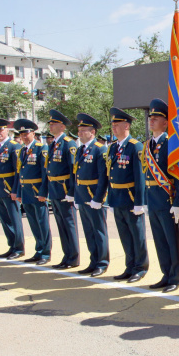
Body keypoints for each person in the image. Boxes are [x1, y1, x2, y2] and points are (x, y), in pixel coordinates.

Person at [143, 99, 179, 293]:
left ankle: (176, 277)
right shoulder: (148, 145)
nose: (151, 121)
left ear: (166, 122)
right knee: (159, 240)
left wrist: (178, 201)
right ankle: (166, 273)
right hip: (153, 198)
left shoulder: (171, 143)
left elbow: (177, 176)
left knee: (171, 240)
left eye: (156, 118)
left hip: (167, 199)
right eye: (150, 117)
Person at [107, 107, 148, 282]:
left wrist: (140, 202)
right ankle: (130, 266)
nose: (113, 128)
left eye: (117, 124)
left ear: (126, 126)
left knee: (137, 234)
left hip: (131, 198)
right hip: (117, 197)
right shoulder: (113, 147)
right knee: (124, 235)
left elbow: (140, 176)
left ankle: (140, 267)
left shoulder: (135, 146)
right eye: (113, 124)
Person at [74, 113, 110, 278]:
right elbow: (77, 174)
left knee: (98, 230)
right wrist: (76, 196)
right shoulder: (81, 149)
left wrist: (98, 198)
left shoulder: (99, 149)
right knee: (88, 231)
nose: (80, 133)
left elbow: (103, 176)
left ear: (92, 132)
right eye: (79, 131)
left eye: (83, 131)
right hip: (82, 196)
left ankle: (102, 263)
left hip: (93, 196)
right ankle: (93, 260)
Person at [11, 119, 51, 266]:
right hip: (26, 191)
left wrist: (43, 192)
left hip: (37, 191)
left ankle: (46, 253)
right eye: (21, 133)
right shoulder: (22, 150)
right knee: (33, 223)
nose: (24, 136)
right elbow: (19, 173)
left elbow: (45, 172)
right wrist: (18, 192)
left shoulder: (41, 148)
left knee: (42, 223)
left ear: (33, 133)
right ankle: (39, 250)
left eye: (26, 133)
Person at [46, 110, 80, 270]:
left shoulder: (69, 143)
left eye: (53, 124)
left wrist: (71, 192)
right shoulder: (53, 143)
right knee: (61, 224)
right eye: (50, 124)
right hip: (55, 189)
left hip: (65, 189)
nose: (50, 126)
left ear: (61, 126)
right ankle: (67, 255)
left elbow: (74, 170)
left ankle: (73, 257)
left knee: (69, 223)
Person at [0, 118, 25, 259]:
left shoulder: (13, 146)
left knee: (14, 218)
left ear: (7, 131)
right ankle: (12, 246)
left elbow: (17, 170)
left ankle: (19, 247)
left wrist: (15, 190)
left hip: (9, 188)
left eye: (1, 131)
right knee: (5, 219)